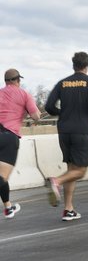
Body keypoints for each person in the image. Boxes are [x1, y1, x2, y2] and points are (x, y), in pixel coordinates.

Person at [45, 52, 88, 221]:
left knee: (72, 168)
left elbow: (49, 106)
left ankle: (68, 209)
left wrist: (63, 113)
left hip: (64, 130)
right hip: (82, 129)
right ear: (87, 65)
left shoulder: (62, 83)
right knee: (81, 171)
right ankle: (57, 181)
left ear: (73, 65)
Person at [0, 69, 41, 218]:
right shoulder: (24, 94)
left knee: (1, 179)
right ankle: (8, 209)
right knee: (2, 178)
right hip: (9, 137)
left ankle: (8, 208)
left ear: (5, 81)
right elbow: (36, 116)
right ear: (17, 80)